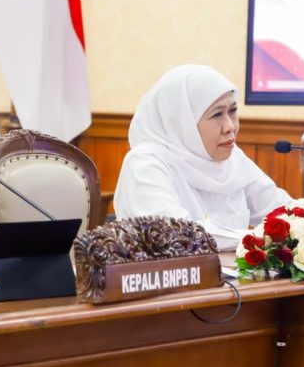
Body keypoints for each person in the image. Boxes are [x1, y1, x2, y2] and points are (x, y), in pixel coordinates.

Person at [113, 64, 292, 250]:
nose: (230, 126)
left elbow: (284, 210)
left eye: (232, 111)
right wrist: (257, 238)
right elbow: (177, 236)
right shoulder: (145, 164)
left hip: (227, 268)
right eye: (217, 114)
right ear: (183, 122)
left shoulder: (231, 157)